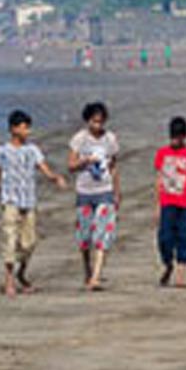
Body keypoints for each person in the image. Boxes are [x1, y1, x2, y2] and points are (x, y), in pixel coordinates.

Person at [0, 109, 68, 296]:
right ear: (13, 129)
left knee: (29, 243)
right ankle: (9, 280)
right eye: (24, 127)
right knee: (10, 240)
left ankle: (21, 273)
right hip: (10, 201)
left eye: (28, 127)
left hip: (29, 201)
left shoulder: (32, 150)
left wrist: (55, 178)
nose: (28, 131)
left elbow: (44, 168)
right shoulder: (2, 151)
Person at [67, 101, 120, 292]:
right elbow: (70, 165)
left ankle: (96, 276)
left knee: (103, 234)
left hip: (104, 191)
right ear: (87, 120)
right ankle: (87, 270)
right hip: (84, 192)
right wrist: (85, 161)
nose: (97, 126)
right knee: (84, 237)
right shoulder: (79, 139)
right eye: (94, 122)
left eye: (100, 122)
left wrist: (116, 192)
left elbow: (113, 166)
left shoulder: (110, 139)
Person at [154, 115, 186, 288]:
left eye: (179, 137)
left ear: (185, 136)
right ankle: (168, 265)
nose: (176, 140)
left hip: (185, 204)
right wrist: (157, 206)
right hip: (167, 203)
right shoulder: (162, 154)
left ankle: (181, 276)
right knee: (164, 238)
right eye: (174, 136)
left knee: (185, 237)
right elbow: (159, 181)